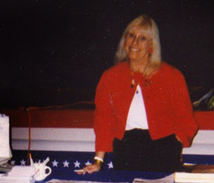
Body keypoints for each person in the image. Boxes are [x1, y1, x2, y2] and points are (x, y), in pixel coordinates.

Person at [80, 15, 198, 174]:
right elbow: (103, 121)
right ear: (124, 40)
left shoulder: (171, 75)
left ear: (151, 45)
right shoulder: (110, 76)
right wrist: (98, 161)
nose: (135, 43)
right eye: (131, 36)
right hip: (125, 151)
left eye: (142, 38)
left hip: (163, 151)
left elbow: (186, 119)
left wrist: (176, 143)